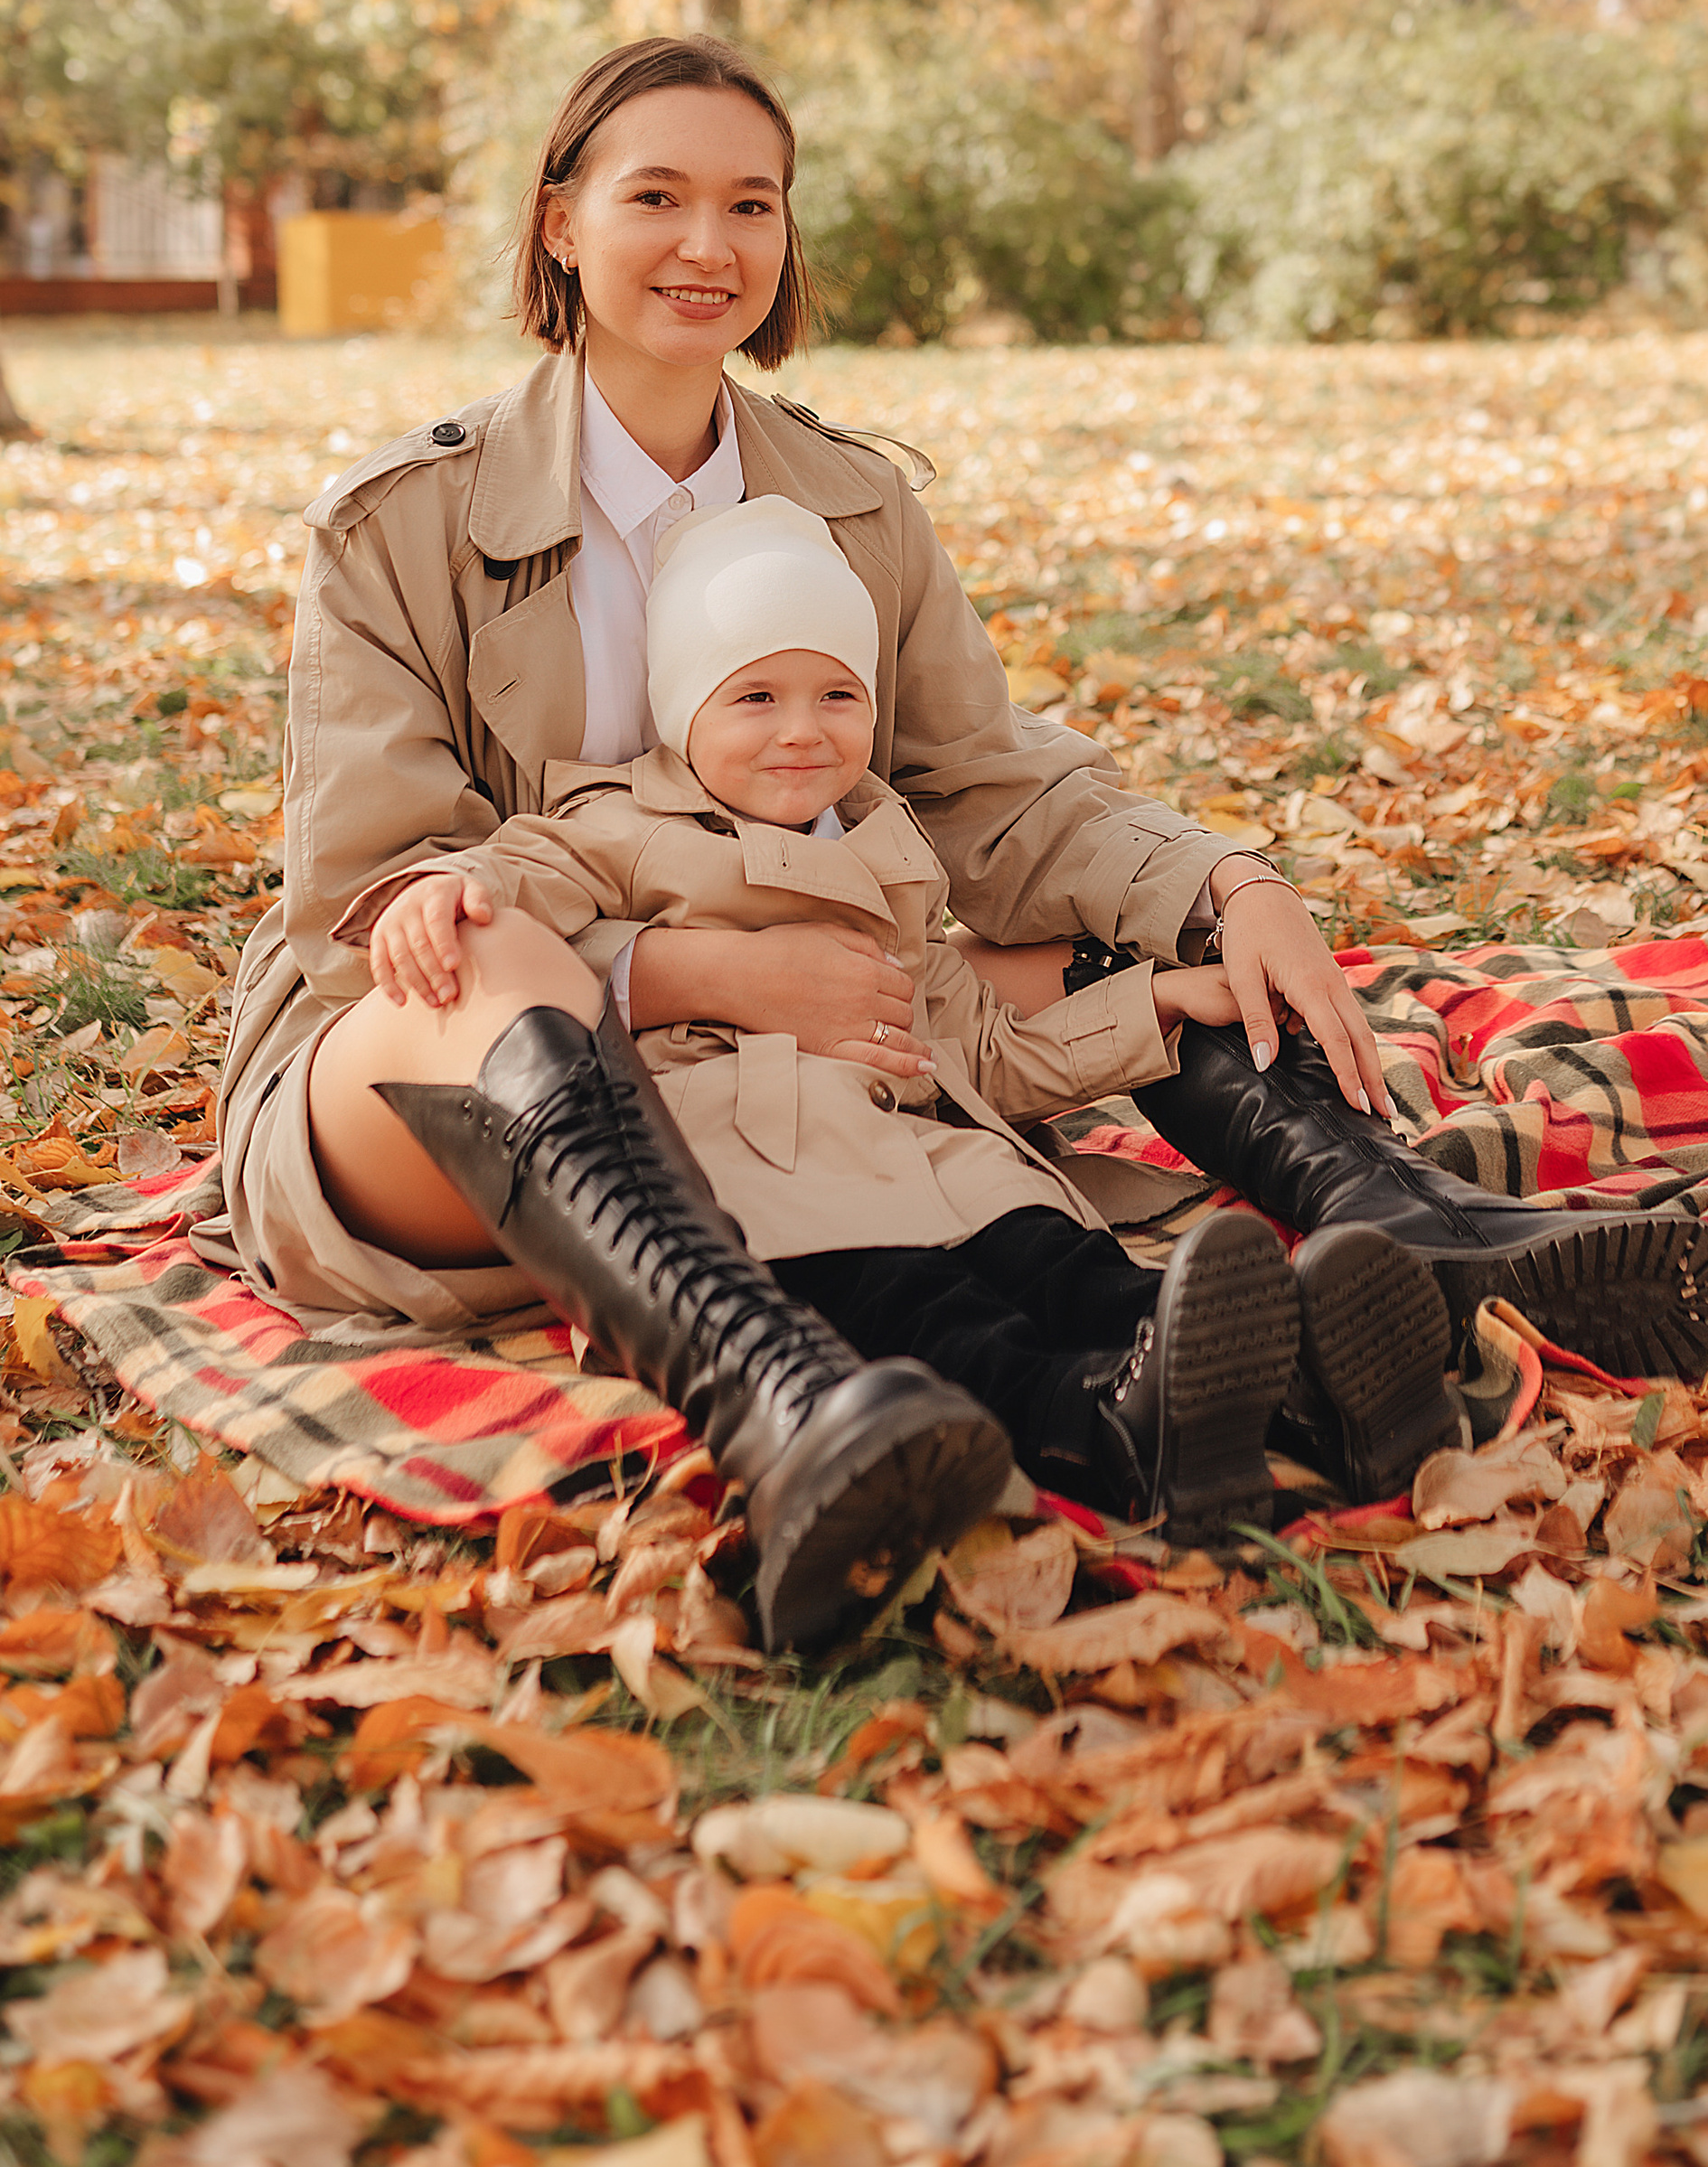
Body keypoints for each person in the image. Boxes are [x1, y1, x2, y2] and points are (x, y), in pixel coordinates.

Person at [213, 35, 1708, 1632]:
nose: (708, 245)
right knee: (490, 939)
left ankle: (1403, 1236)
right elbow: (376, 899)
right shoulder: (399, 524)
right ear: (559, 223)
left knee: (1101, 944)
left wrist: (1226, 886)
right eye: (655, 196)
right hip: (447, 1077)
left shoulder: (849, 502)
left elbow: (988, 794)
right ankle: (779, 1399)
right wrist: (685, 969)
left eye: (754, 203)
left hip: (792, 1067)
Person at [345, 491, 1465, 1633]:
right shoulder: (620, 824)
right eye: (755, 698)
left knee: (1075, 1270)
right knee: (940, 1317)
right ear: (684, 714)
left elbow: (978, 1044)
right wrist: (441, 890)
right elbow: (514, 885)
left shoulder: (885, 843)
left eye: (838, 695)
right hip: (773, 1170)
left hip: (937, 1147)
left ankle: (1304, 1386)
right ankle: (1103, 1427)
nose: (802, 729)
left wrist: (1152, 1007)